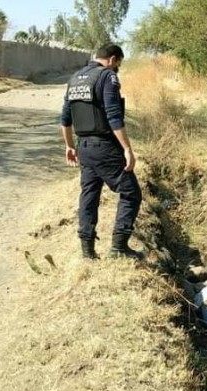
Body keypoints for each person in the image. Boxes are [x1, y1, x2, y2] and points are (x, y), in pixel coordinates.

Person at [60, 43, 143, 260]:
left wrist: (69, 146)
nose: (118, 69)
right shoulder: (107, 77)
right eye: (119, 64)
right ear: (113, 59)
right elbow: (114, 116)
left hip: (84, 147)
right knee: (131, 193)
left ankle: (87, 252)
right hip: (105, 147)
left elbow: (65, 119)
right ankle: (119, 247)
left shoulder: (75, 78)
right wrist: (127, 149)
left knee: (89, 196)